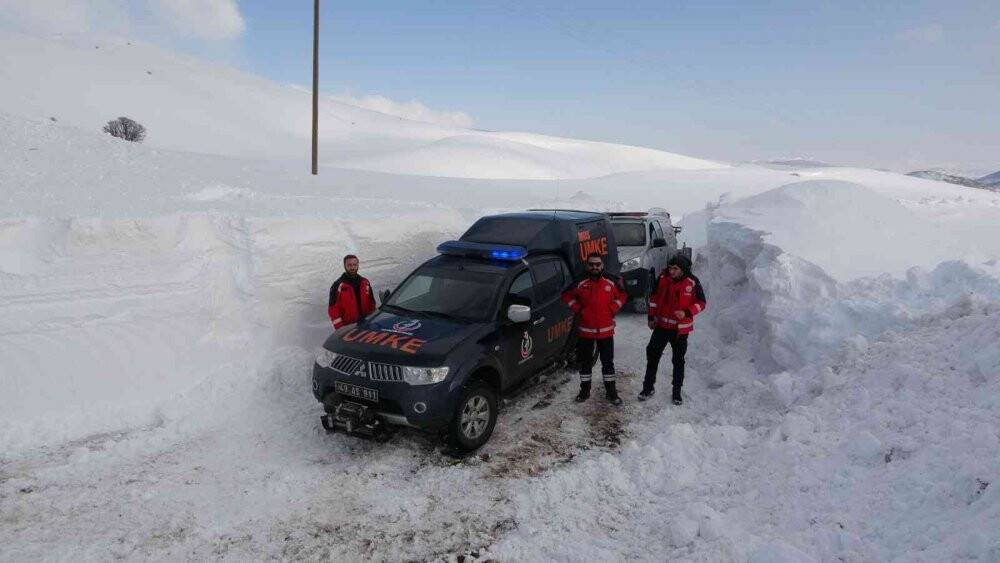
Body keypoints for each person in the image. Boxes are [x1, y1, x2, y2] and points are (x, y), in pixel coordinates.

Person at [562, 253, 627, 405]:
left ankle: (611, 393)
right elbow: (566, 295)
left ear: (602, 265)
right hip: (586, 331)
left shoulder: (611, 281)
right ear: (587, 266)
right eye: (591, 264)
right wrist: (578, 309)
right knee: (585, 363)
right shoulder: (580, 282)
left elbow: (623, 295)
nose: (594, 267)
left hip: (606, 331)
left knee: (608, 363)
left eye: (597, 264)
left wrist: (612, 309)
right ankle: (584, 392)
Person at [640, 254, 706, 405]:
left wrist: (686, 312)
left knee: (678, 360)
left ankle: (676, 392)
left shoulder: (692, 282)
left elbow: (702, 303)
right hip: (661, 327)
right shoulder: (662, 279)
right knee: (652, 354)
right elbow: (654, 299)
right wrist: (651, 317)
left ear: (682, 270)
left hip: (680, 330)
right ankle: (648, 387)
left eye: (675, 269)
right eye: (670, 268)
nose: (671, 271)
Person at [328, 254, 377, 330]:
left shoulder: (365, 282)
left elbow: (371, 303)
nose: (352, 267)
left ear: (358, 265)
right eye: (349, 265)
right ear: (345, 266)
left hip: (366, 324)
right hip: (348, 327)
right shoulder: (337, 285)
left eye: (354, 264)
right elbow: (333, 309)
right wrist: (341, 329)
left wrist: (372, 320)